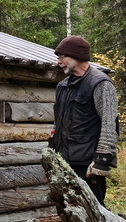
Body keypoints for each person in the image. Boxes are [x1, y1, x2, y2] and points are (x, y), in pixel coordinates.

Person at [49, 35, 119, 205]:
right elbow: (57, 123)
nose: (59, 61)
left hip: (88, 166)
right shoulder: (63, 86)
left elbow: (110, 124)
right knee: (69, 210)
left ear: (78, 56)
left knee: (93, 211)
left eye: (63, 57)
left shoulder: (100, 83)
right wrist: (52, 151)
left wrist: (101, 161)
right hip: (65, 161)